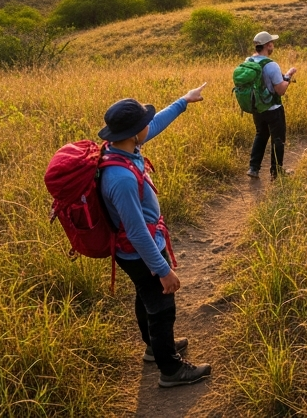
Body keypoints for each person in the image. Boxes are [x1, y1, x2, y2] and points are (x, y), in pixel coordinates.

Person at [98, 85, 212, 388]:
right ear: (134, 133)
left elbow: (155, 124)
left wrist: (183, 101)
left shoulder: (120, 150)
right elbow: (135, 232)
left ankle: (153, 346)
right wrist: (163, 271)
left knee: (145, 296)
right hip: (140, 250)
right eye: (143, 124)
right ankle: (171, 370)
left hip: (136, 250)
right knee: (162, 307)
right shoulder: (120, 177)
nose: (149, 126)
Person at [245, 32, 296, 178]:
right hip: (273, 108)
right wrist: (289, 77)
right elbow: (280, 91)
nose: (273, 45)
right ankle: (276, 172)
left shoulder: (248, 60)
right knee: (278, 139)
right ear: (268, 45)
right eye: (272, 42)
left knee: (261, 134)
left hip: (256, 107)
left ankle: (253, 168)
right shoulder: (271, 65)